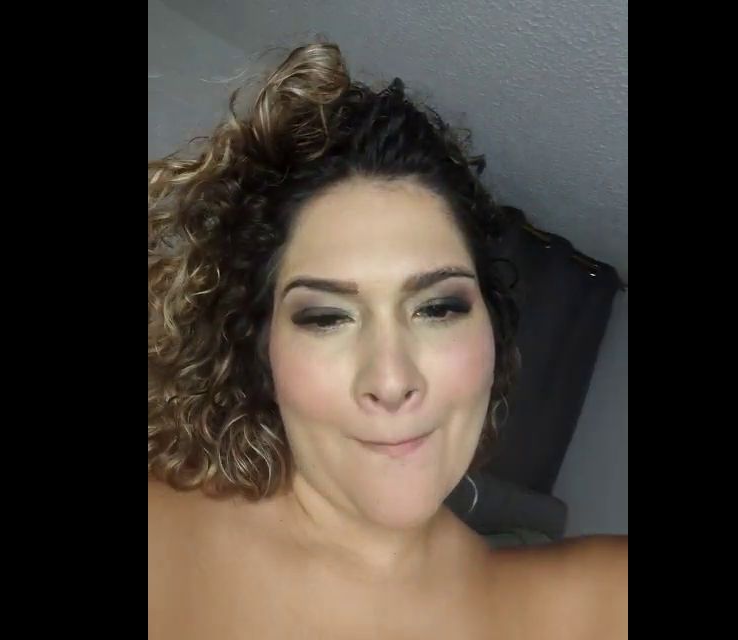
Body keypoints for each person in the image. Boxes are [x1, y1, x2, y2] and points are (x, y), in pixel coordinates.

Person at [148, 42, 627, 639]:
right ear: (260, 352)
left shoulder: (598, 604)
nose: (392, 379)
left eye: (437, 308)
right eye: (327, 318)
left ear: (494, 333)